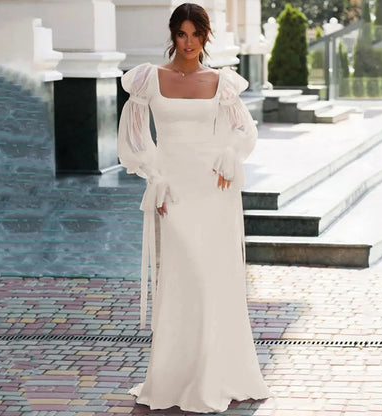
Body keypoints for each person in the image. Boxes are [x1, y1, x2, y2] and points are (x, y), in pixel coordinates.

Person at [117, 2, 272, 413]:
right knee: (184, 278)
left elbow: (245, 130)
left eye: (196, 34)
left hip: (213, 190)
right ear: (173, 35)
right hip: (175, 191)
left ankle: (213, 373)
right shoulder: (150, 78)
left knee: (212, 279)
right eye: (182, 34)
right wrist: (154, 174)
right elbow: (132, 137)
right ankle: (174, 375)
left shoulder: (220, 82)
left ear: (206, 36)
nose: (188, 42)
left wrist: (230, 155)